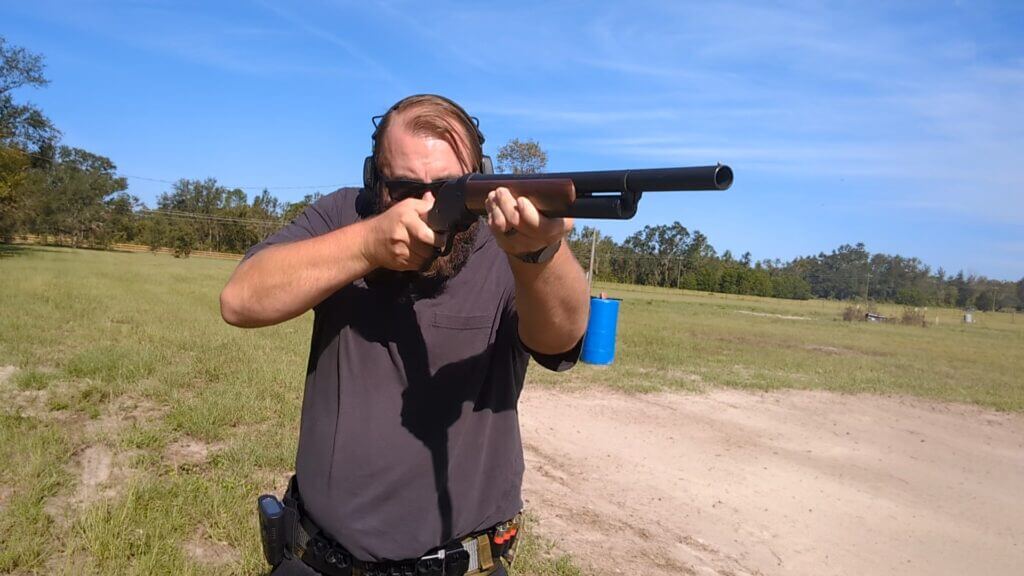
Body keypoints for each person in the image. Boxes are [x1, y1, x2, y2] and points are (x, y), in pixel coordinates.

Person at [220, 94, 590, 576]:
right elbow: (241, 300)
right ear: (376, 180)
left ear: (480, 174)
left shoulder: (507, 245)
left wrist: (539, 255)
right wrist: (369, 244)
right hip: (318, 557)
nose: (429, 204)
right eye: (405, 188)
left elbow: (559, 338)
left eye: (450, 186)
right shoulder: (344, 216)